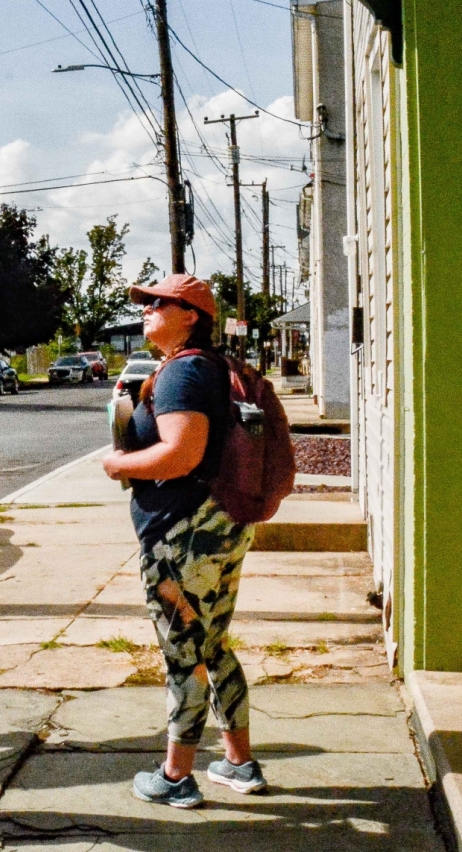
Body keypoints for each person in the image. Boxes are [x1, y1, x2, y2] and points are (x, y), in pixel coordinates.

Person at [100, 273, 267, 810]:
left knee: (183, 654)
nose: (146, 309)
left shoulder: (183, 373)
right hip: (218, 526)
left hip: (183, 534)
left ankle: (176, 775)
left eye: (158, 303)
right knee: (211, 645)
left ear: (191, 314)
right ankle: (239, 763)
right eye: (145, 303)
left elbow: (181, 454)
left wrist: (117, 463)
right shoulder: (209, 368)